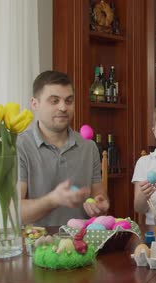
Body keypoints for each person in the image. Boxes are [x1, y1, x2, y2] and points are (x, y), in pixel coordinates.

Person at [18, 70, 110, 226]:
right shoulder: (19, 146)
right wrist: (53, 200)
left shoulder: (89, 147)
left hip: (83, 245)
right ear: (35, 104)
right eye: (54, 101)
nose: (63, 107)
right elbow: (16, 214)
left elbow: (99, 197)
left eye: (69, 101)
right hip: (38, 246)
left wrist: (100, 205)